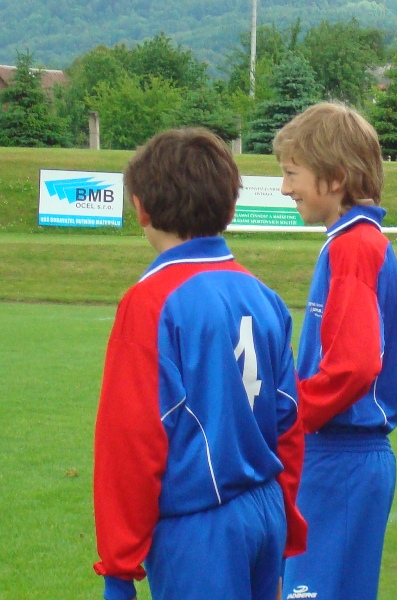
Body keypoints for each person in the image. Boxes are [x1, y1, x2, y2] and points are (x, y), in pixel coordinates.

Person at [93, 128, 307, 600]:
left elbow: (130, 440)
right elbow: (289, 421)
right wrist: (282, 521)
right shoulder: (263, 295)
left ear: (140, 208)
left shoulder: (150, 302)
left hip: (201, 529)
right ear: (230, 210)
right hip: (265, 509)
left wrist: (118, 567)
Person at [276, 103, 397, 600]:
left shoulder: (353, 246)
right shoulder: (358, 242)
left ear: (335, 178)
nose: (286, 188)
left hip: (339, 457)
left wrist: (291, 414)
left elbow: (354, 364)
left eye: (292, 174)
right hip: (346, 458)